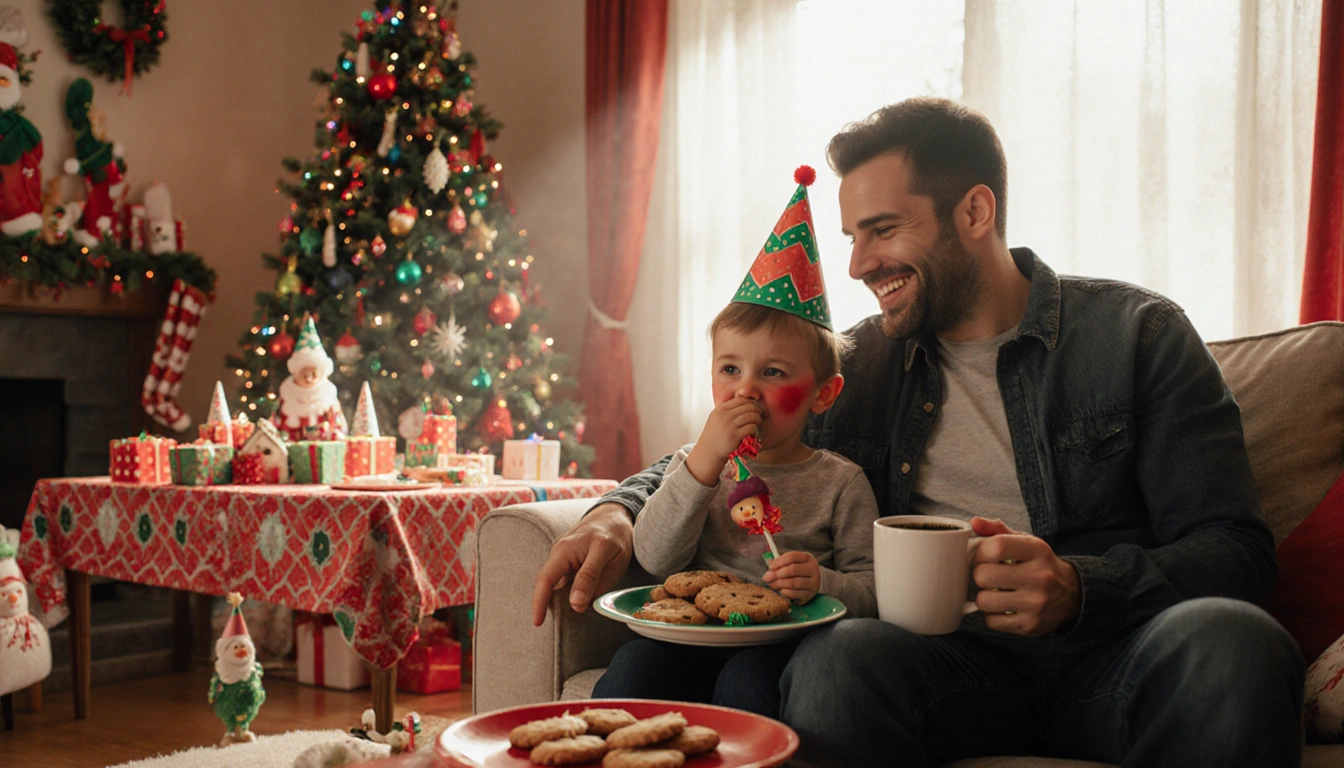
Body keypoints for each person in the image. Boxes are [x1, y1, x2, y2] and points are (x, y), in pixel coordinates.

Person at [534, 97, 1305, 767]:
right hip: (941, 665)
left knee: (1236, 641)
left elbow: (1234, 550)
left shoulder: (1138, 335)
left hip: (1114, 654)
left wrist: (1077, 589)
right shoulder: (859, 363)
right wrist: (616, 509)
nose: (861, 264)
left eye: (882, 230)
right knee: (836, 661)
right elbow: (732, 444)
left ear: (974, 212)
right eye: (851, 238)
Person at [591, 169, 880, 717]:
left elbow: (874, 590)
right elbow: (654, 559)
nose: (745, 388)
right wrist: (702, 464)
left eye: (772, 372)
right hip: (687, 640)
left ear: (823, 394)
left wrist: (823, 581)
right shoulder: (694, 465)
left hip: (781, 646)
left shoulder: (840, 483)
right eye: (730, 368)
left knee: (746, 687)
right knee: (632, 669)